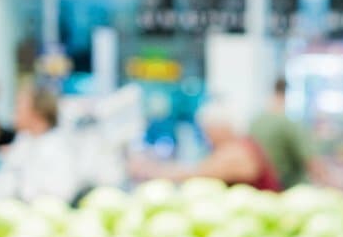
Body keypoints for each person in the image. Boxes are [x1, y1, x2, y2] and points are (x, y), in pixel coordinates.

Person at [132, 101, 282, 190]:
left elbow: (199, 172)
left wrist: (155, 172)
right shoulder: (237, 147)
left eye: (207, 131)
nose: (206, 137)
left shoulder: (237, 152)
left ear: (220, 129)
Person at [249, 79, 315, 188]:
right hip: (287, 188)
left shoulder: (255, 122)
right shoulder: (288, 123)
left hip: (261, 187)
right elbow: (310, 161)